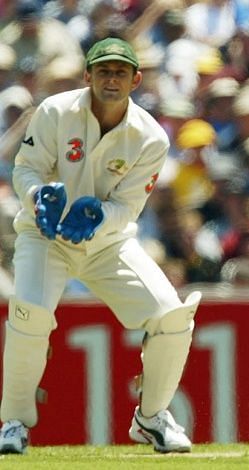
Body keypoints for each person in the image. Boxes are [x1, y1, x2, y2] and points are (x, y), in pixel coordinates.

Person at [0, 37, 200, 454]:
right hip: (45, 236)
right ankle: (14, 423)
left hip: (106, 244)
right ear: (87, 75)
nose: (112, 79)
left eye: (121, 72)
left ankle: (150, 419)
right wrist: (39, 200)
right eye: (104, 71)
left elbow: (127, 207)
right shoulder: (55, 111)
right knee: (30, 314)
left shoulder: (151, 138)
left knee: (172, 316)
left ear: (136, 79)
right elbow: (26, 170)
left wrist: (97, 218)